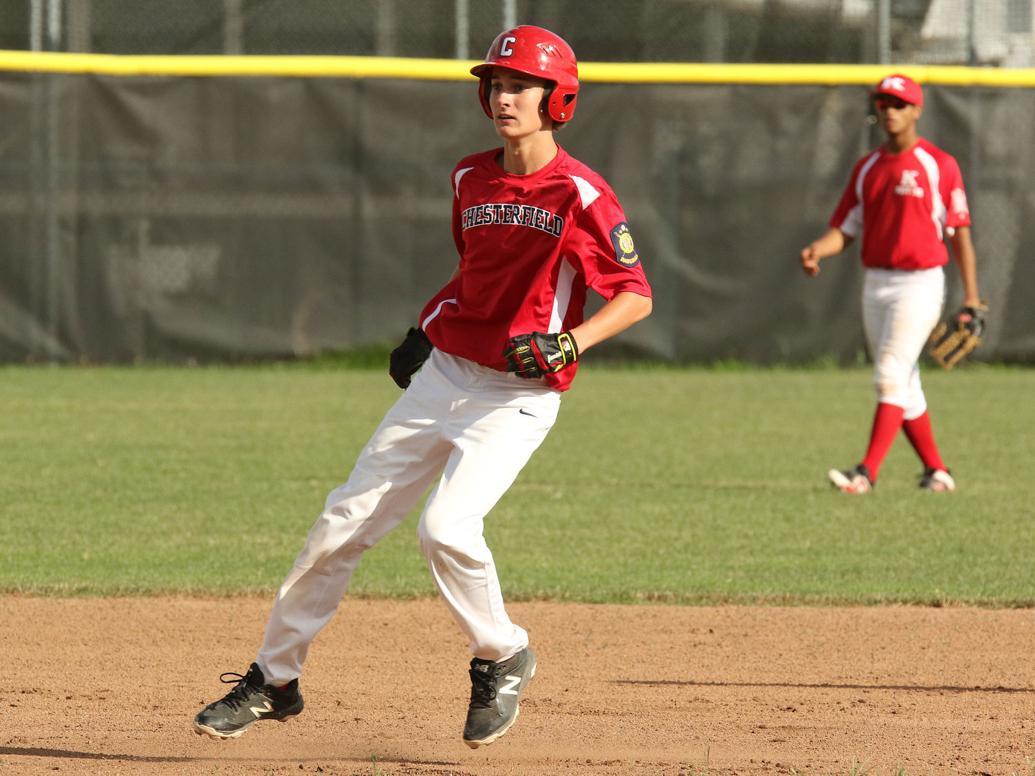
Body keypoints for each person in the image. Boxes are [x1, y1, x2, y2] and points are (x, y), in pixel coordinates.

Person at [192, 25, 652, 748]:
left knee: (445, 529)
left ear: (557, 99)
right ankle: (274, 681)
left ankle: (502, 654)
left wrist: (571, 340)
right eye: (495, 84)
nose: (504, 96)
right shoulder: (470, 177)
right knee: (339, 524)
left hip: (517, 396)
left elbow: (634, 293)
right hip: (447, 375)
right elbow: (475, 274)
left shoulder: (579, 192)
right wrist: (430, 326)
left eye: (520, 85)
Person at [800, 73, 983, 494]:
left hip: (920, 283)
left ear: (917, 110)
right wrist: (817, 250)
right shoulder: (867, 168)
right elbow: (845, 228)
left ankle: (866, 472)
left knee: (889, 374)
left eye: (899, 104)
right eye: (883, 103)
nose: (890, 111)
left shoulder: (939, 164)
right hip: (876, 283)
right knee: (904, 381)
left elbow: (961, 235)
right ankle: (937, 471)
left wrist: (971, 298)